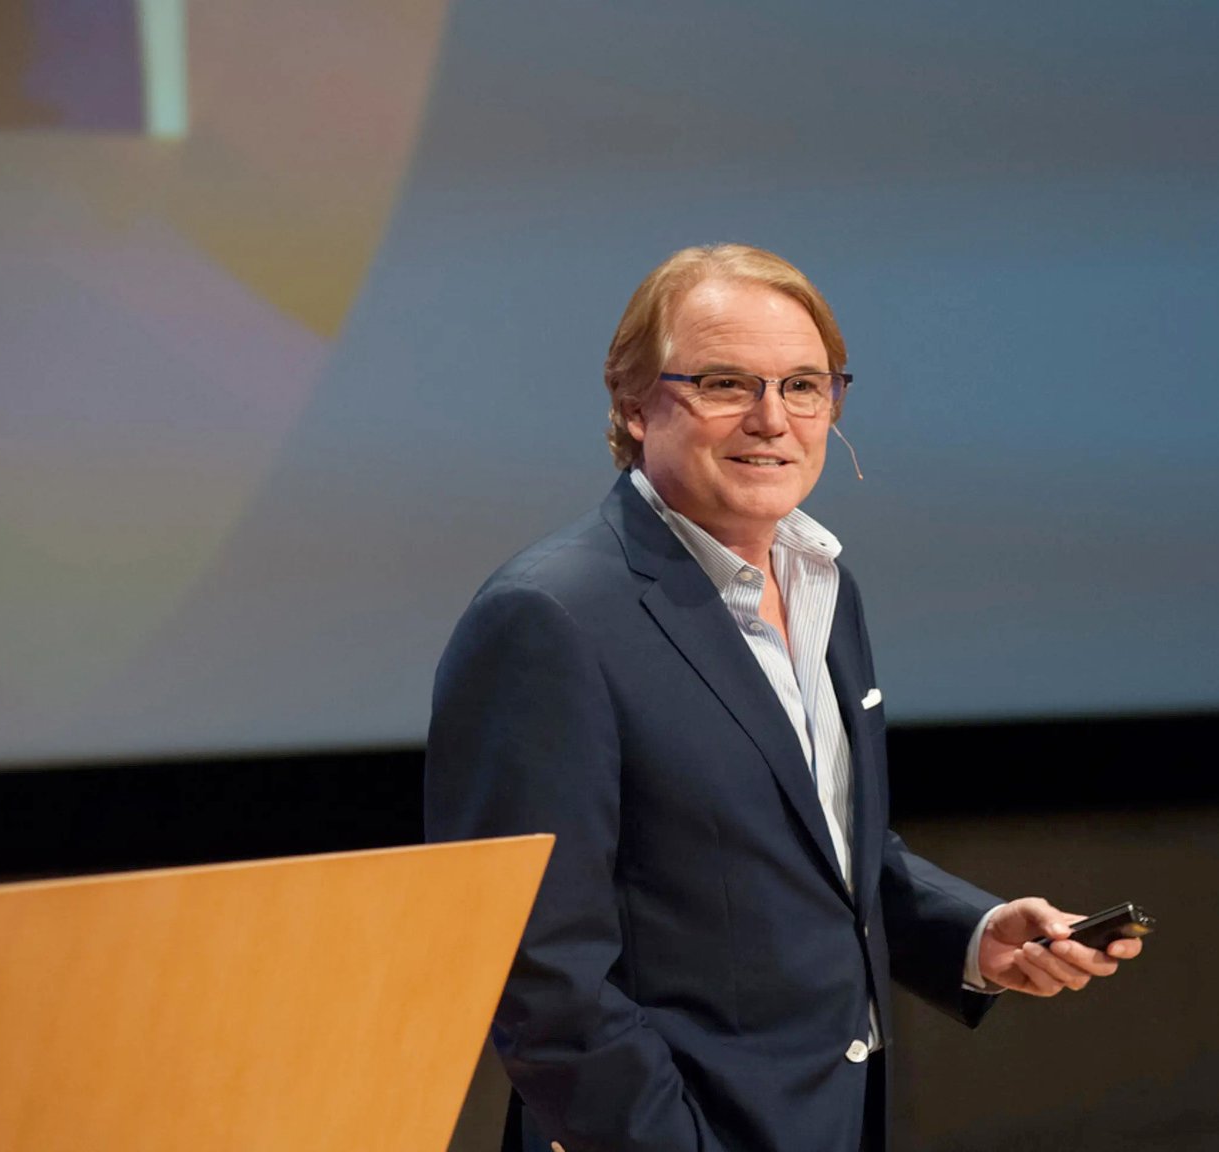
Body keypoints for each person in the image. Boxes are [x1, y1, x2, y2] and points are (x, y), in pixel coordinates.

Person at [424, 244, 1142, 1152]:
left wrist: (975, 933)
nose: (773, 419)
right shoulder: (548, 618)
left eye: (804, 386)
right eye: (726, 382)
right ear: (632, 402)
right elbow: (536, 967)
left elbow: (822, 846)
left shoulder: (822, 582)